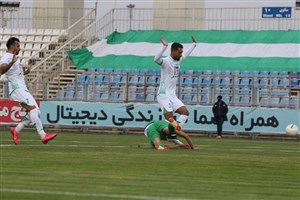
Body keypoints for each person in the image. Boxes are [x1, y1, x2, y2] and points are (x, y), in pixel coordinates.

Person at [0, 37, 57, 145]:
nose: (19, 48)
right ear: (12, 46)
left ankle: (16, 130)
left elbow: (17, 74)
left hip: (22, 87)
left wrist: (26, 71)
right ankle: (43, 135)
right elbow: (1, 70)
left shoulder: (14, 58)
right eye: (18, 46)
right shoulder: (7, 57)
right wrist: (12, 62)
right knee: (33, 110)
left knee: (36, 112)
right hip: (17, 88)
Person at [154, 36, 197, 144]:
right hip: (163, 95)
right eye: (179, 52)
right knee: (170, 118)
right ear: (173, 51)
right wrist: (164, 47)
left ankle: (172, 133)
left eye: (181, 52)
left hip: (172, 95)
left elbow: (186, 55)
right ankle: (172, 133)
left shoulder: (178, 60)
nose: (181, 54)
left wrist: (194, 45)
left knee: (185, 113)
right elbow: (156, 59)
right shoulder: (165, 61)